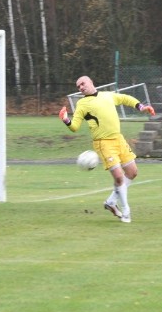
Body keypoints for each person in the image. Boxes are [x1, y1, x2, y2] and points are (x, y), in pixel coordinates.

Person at [58, 76, 155, 223]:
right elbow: (75, 127)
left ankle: (110, 202)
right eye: (78, 87)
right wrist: (66, 120)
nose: (81, 87)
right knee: (118, 177)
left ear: (91, 82)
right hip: (103, 143)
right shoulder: (82, 104)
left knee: (132, 172)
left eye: (83, 83)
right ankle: (126, 211)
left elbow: (125, 98)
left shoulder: (107, 95)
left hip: (119, 140)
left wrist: (141, 107)